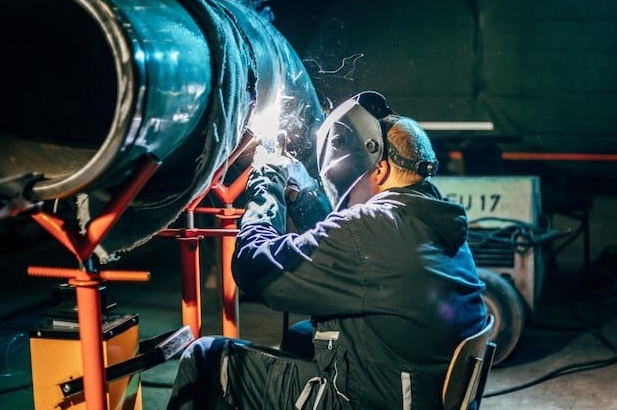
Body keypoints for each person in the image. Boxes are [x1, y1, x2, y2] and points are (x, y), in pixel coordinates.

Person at [166, 91, 487, 410]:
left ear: (379, 169)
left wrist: (267, 191)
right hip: (417, 389)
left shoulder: (372, 227)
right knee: (301, 335)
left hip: (374, 399)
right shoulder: (433, 220)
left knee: (206, 355)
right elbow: (342, 248)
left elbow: (256, 271)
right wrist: (305, 194)